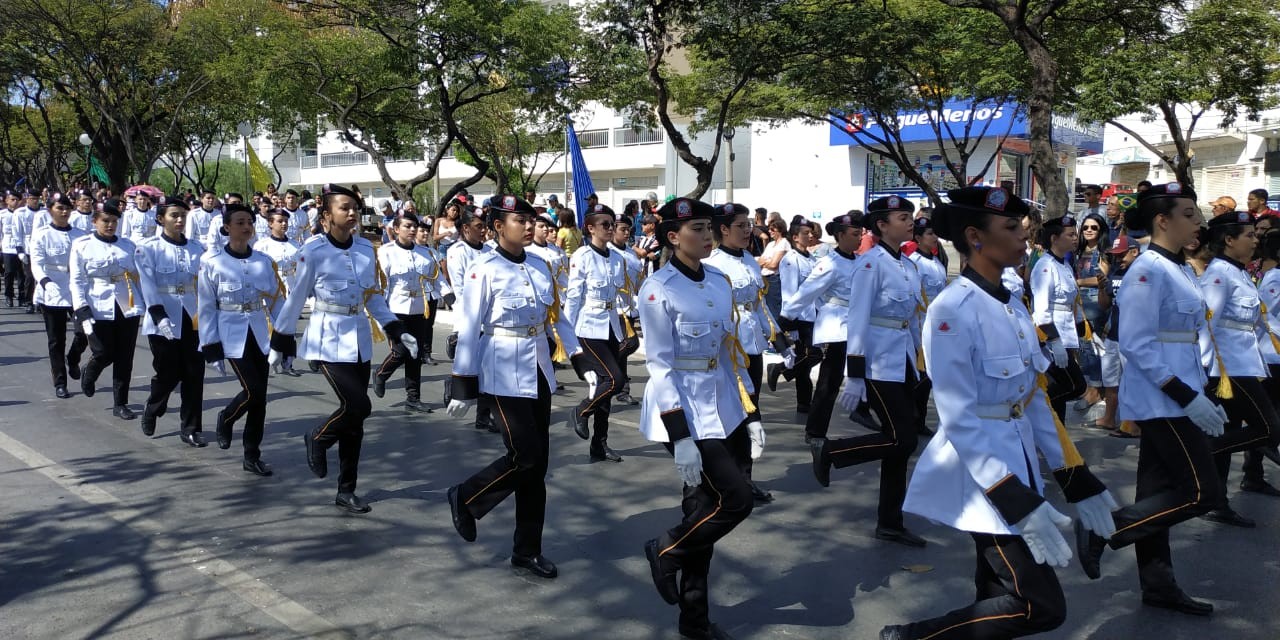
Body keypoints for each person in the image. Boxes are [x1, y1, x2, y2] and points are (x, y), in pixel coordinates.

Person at [881, 185, 1118, 640]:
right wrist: (1013, 499)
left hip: (1018, 466)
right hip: (985, 480)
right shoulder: (953, 310)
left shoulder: (1010, 304)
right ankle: (911, 637)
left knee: (995, 590)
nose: (1022, 236)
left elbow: (1031, 403)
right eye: (1010, 228)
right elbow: (959, 418)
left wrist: (1075, 478)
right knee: (1040, 606)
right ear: (975, 236)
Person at [1075, 183, 1255, 617]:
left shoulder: (1179, 269)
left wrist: (1199, 390)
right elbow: (1136, 343)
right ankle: (1106, 530)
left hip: (1179, 392)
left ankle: (1158, 584)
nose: (1199, 222)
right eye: (1190, 214)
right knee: (1201, 491)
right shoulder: (1147, 270)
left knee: (1156, 491)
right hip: (1163, 398)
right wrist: (1186, 396)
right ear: (1163, 220)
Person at [637, 197, 764, 640]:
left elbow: (729, 353)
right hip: (685, 409)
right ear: (673, 237)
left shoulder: (719, 281)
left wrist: (750, 412)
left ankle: (693, 619)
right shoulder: (658, 289)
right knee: (737, 499)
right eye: (698, 229)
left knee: (702, 510)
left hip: (723, 403)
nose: (708, 235)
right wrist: (680, 436)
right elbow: (659, 365)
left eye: (710, 227)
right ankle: (665, 550)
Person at [444, 195, 583, 580]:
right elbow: (470, 325)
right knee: (526, 456)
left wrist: (578, 356)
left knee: (537, 466)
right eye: (518, 219)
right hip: (501, 368)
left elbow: (557, 315)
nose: (527, 225)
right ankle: (468, 496)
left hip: (537, 364)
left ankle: (526, 550)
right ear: (497, 226)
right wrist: (462, 383)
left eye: (529, 219)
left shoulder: (540, 265)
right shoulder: (482, 268)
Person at [270, 183, 420, 514]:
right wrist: (281, 340)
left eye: (354, 207)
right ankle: (319, 437)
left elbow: (372, 295)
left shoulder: (367, 249)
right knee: (358, 405)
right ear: (326, 216)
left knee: (355, 421)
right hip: (326, 339)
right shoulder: (313, 251)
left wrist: (395, 329)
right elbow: (296, 298)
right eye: (343, 208)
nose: (351, 213)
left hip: (358, 338)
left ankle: (346, 488)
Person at [810, 195, 927, 548]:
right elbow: (857, 319)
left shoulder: (907, 265)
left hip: (903, 358)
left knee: (899, 446)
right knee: (902, 438)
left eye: (910, 216)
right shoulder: (869, 265)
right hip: (876, 362)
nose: (910, 222)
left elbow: (913, 318)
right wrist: (855, 374)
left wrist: (921, 360)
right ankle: (832, 452)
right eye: (902, 217)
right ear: (882, 225)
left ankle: (890, 521)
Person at [1196, 209, 1280, 527]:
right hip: (1228, 369)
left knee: (1230, 430)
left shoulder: (1240, 272)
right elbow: (1208, 324)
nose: (1255, 239)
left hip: (1244, 363)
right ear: (1229, 240)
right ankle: (1202, 450)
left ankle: (1217, 501)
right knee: (1270, 428)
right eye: (1248, 235)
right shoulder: (1219, 274)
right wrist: (1207, 370)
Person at [198, 202, 283, 476]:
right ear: (226, 228)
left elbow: (276, 301)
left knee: (260, 398)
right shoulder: (212, 263)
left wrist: (284, 337)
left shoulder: (263, 262)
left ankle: (252, 455)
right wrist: (210, 345)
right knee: (253, 390)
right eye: (240, 222)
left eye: (249, 222)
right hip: (230, 332)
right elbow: (206, 307)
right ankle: (227, 417)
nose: (246, 227)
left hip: (259, 332)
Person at [704, 202, 780, 505]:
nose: (748, 230)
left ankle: (744, 479)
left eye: (749, 224)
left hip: (752, 344)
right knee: (731, 414)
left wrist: (777, 336)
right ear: (723, 230)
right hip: (728, 348)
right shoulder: (714, 265)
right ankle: (724, 481)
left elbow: (758, 304)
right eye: (741, 225)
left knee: (752, 411)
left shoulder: (750, 259)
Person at [780, 211, 862, 444]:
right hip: (836, 325)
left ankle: (862, 410)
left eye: (861, 233)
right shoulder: (829, 263)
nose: (859, 238)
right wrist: (786, 319)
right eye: (855, 234)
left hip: (857, 324)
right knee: (829, 381)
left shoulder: (862, 262)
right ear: (840, 235)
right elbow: (807, 291)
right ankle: (815, 430)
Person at [136, 195, 207, 445]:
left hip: (192, 315)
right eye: (174, 215)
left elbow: (205, 284)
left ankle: (190, 428)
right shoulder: (149, 248)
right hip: (162, 316)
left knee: (194, 372)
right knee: (168, 372)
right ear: (160, 219)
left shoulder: (198, 249)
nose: (179, 220)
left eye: (183, 216)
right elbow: (147, 283)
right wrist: (158, 315)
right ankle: (153, 407)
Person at [70, 198, 144, 419]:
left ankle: (120, 403)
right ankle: (90, 371)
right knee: (103, 351)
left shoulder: (128, 246)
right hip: (97, 304)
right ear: (95, 221)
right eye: (105, 221)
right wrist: (81, 307)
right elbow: (77, 279)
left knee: (125, 356)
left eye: (114, 221)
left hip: (126, 304)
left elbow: (138, 277)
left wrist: (147, 304)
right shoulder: (82, 245)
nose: (110, 225)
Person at [564, 204, 627, 462]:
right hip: (589, 326)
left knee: (607, 389)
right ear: (590, 228)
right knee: (615, 380)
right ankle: (581, 410)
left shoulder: (616, 258)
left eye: (613, 224)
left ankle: (599, 444)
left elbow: (620, 296)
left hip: (611, 326)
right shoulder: (581, 256)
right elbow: (574, 297)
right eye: (605, 225)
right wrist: (567, 339)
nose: (611, 229)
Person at [372, 212, 438, 413]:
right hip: (395, 310)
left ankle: (413, 398)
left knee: (415, 354)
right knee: (401, 351)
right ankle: (381, 374)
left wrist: (449, 296)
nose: (412, 230)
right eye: (407, 226)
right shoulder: (386, 251)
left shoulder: (425, 253)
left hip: (418, 308)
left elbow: (436, 278)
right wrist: (380, 311)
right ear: (396, 229)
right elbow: (382, 283)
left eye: (414, 226)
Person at [29, 192, 89, 398]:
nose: (64, 212)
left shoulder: (81, 235)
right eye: (59, 208)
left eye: (67, 208)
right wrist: (45, 282)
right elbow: (36, 262)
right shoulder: (42, 234)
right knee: (56, 340)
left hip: (76, 288)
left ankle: (73, 358)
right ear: (50, 211)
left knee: (84, 332)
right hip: (52, 289)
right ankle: (60, 382)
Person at [1029, 215, 1087, 423]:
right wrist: (1053, 341)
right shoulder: (1045, 266)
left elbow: (1072, 301)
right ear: (1054, 238)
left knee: (1061, 398)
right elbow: (1042, 310)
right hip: (1052, 339)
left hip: (1067, 336)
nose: (1075, 238)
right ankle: (1033, 409)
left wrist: (1080, 327)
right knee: (1075, 386)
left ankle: (1058, 445)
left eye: (1075, 234)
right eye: (1070, 234)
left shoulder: (1065, 265)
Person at [444, 207, 495, 431]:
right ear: (465, 228)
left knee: (487, 367)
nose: (483, 230)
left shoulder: (490, 250)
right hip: (470, 316)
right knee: (477, 366)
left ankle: (483, 416)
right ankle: (454, 384)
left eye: (484, 226)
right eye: (478, 226)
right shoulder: (457, 251)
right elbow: (462, 290)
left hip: (489, 317)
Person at [769, 216, 821, 413]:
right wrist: (790, 321)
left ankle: (803, 403)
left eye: (811, 232)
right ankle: (781, 369)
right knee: (813, 354)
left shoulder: (811, 258)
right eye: (806, 233)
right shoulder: (791, 259)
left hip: (812, 315)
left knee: (805, 362)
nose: (810, 235)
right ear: (795, 237)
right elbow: (790, 292)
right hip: (798, 317)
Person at [1094, 235, 1141, 434]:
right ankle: (1109, 418)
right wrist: (1102, 287)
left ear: (1135, 251)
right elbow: (1104, 305)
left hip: (1133, 337)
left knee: (1132, 382)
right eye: (1115, 255)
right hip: (1112, 335)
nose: (1118, 259)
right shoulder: (1115, 272)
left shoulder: (1142, 274)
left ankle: (1133, 424)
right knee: (1110, 381)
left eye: (1122, 254)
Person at [907, 216, 946, 436]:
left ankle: (918, 420)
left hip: (937, 327)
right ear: (919, 238)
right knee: (921, 378)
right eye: (930, 234)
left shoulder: (936, 262)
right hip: (920, 326)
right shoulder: (915, 263)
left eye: (934, 233)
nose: (935, 238)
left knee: (928, 378)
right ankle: (914, 420)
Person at [1073, 213, 1110, 415]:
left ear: (1101, 230)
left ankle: (1096, 388)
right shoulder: (1078, 251)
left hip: (1095, 301)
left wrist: (1078, 282)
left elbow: (1101, 279)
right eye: (1086, 227)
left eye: (1094, 227)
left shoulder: (1104, 251)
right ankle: (1090, 386)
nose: (1089, 230)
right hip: (1078, 301)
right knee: (1082, 347)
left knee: (1091, 345)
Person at [610, 214, 644, 406]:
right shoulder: (607, 252)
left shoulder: (631, 254)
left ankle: (622, 389)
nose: (626, 233)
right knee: (630, 343)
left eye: (628, 230)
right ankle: (609, 374)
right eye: (622, 229)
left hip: (629, 307)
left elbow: (640, 280)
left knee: (625, 346)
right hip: (613, 309)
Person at [413, 217, 446, 366]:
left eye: (427, 231)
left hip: (430, 293)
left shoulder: (432, 252)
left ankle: (426, 353)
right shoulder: (410, 251)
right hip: (416, 294)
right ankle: (414, 353)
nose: (425, 233)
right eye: (422, 230)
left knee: (428, 325)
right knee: (416, 325)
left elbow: (438, 274)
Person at [756, 219, 788, 323]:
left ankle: (777, 334)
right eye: (769, 229)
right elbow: (760, 260)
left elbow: (774, 265)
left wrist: (764, 263)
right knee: (765, 307)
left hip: (774, 279)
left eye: (772, 229)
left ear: (780, 230)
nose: (770, 231)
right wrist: (766, 262)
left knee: (774, 307)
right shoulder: (770, 244)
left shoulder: (784, 243)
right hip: (764, 278)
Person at [1, 189, 29, 308]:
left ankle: (22, 297)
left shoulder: (23, 214)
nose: (15, 202)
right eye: (12, 199)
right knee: (9, 272)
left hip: (22, 247)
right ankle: (9, 295)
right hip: (8, 247)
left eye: (17, 200)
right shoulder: (2, 215)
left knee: (22, 274)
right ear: (7, 201)